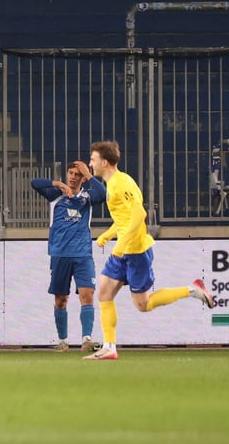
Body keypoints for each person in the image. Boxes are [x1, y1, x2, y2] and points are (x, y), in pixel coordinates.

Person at [84, 141, 215, 361]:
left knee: (143, 305)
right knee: (104, 293)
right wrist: (109, 234)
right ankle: (109, 347)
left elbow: (139, 215)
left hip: (135, 252)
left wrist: (122, 243)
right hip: (123, 250)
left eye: (93, 159)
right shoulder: (114, 183)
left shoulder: (120, 184)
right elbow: (125, 219)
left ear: (104, 162)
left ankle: (192, 290)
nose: (90, 163)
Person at [31, 161, 106, 353]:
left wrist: (89, 175)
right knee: (60, 299)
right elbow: (35, 183)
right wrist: (57, 184)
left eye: (77, 174)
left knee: (87, 294)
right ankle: (63, 341)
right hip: (60, 254)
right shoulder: (56, 196)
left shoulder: (87, 198)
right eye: (70, 173)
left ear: (82, 178)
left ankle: (87, 339)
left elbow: (103, 194)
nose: (73, 177)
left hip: (82, 254)